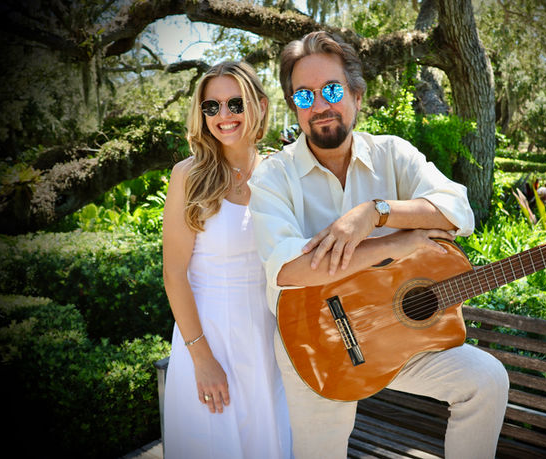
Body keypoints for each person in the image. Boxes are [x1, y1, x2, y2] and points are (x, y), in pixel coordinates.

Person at [248, 31, 509, 459]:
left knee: (487, 380)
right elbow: (288, 269)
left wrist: (374, 213)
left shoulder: (392, 154)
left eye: (332, 90)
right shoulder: (273, 176)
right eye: (305, 96)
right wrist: (395, 247)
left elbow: (458, 211)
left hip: (395, 336)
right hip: (312, 342)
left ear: (357, 95)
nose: (320, 105)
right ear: (294, 107)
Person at [161, 60, 292, 458]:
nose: (224, 115)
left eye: (235, 103)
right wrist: (202, 359)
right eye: (212, 106)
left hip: (269, 345)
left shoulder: (281, 173)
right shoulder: (188, 175)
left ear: (260, 106)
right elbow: (174, 274)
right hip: (208, 340)